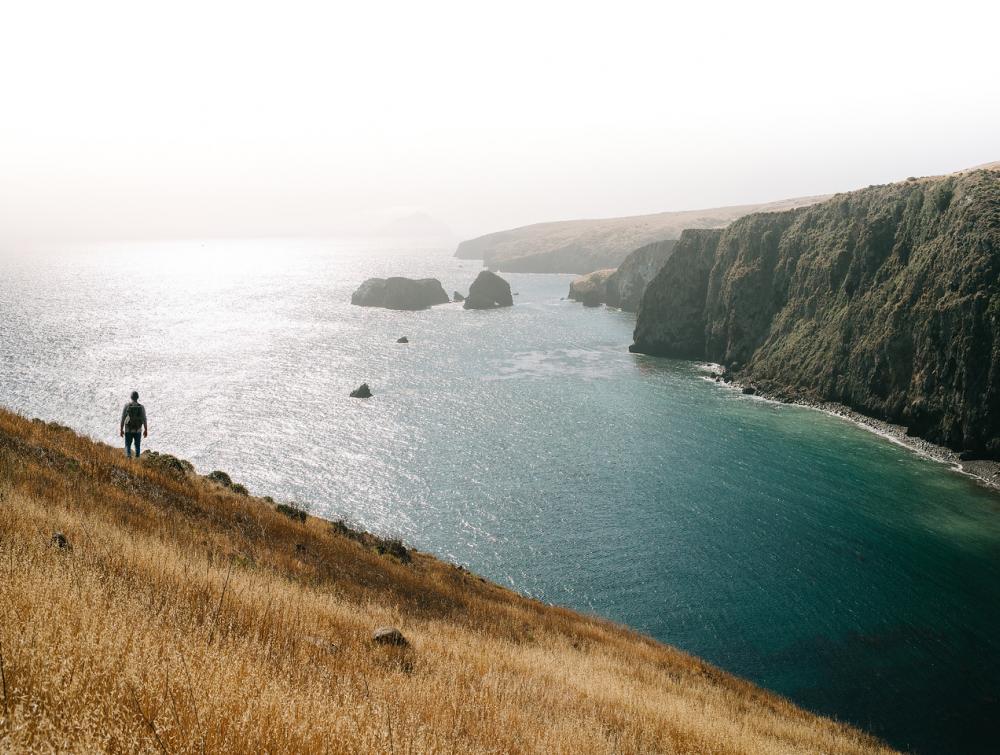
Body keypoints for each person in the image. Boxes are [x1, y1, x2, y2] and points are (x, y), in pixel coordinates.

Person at [120, 391, 148, 458]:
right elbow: (144, 419)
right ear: (137, 397)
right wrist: (146, 429)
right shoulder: (141, 407)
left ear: (131, 397)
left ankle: (128, 459)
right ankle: (137, 459)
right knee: (137, 445)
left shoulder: (127, 405)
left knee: (127, 445)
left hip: (128, 429)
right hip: (138, 429)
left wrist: (121, 429)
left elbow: (123, 418)